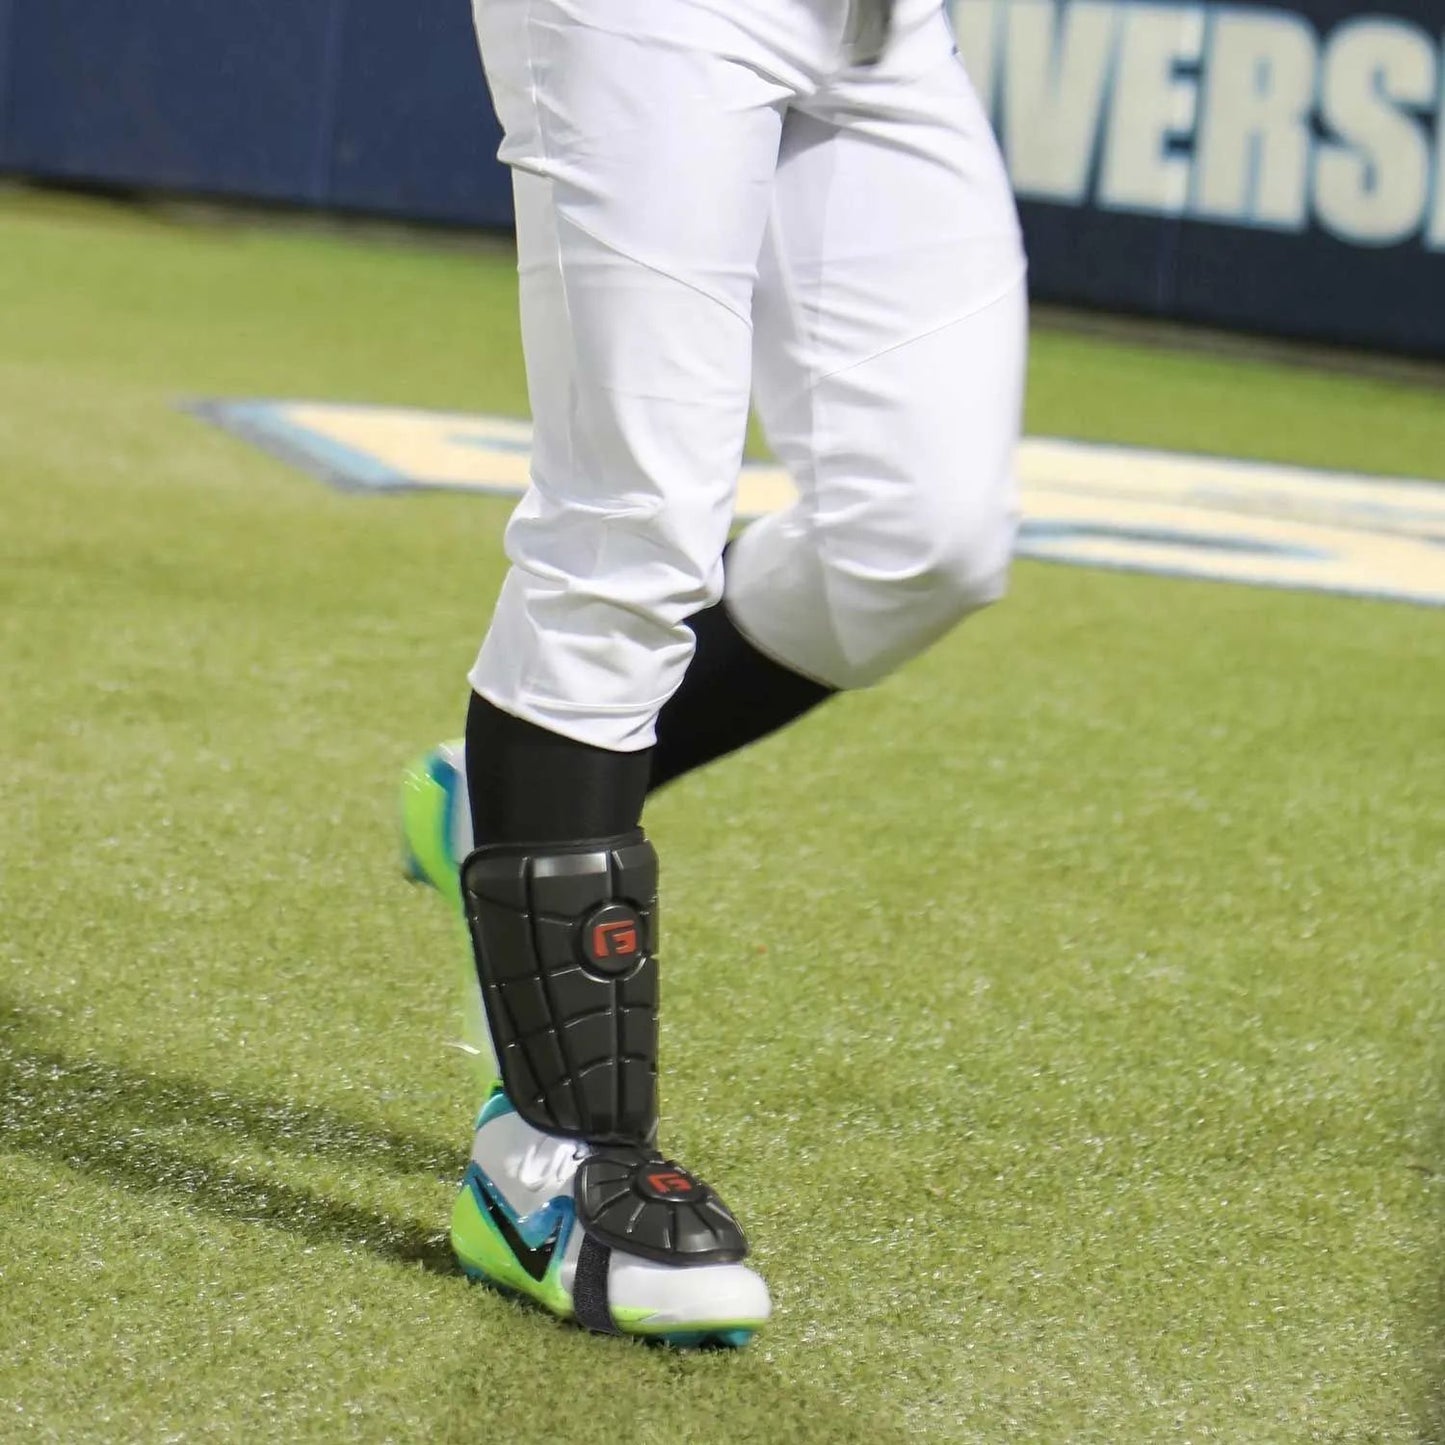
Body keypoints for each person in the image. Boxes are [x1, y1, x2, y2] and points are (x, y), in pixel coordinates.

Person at [400, 0, 1026, 1346]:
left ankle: (500, 802)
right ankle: (550, 1167)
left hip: (877, 24)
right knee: (628, 530)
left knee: (918, 537)